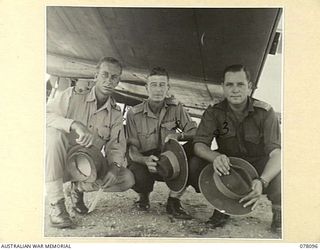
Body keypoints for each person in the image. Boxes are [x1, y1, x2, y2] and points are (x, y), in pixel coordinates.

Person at [189, 64, 281, 234]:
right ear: (223, 87)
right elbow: (199, 145)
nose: (235, 90)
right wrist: (215, 156)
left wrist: (262, 181)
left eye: (240, 84)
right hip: (229, 166)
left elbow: (276, 154)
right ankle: (222, 205)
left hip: (259, 167)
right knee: (195, 164)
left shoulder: (265, 112)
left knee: (282, 172)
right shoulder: (214, 112)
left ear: (250, 87)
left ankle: (279, 210)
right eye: (230, 85)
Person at [46, 57, 135, 228]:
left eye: (114, 77)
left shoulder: (115, 113)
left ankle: (77, 189)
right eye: (105, 74)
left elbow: (116, 145)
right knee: (53, 135)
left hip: (86, 167)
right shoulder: (72, 95)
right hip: (60, 162)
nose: (108, 81)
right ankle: (56, 205)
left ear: (118, 81)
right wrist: (73, 124)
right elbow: (46, 116)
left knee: (126, 179)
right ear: (96, 75)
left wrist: (115, 167)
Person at [126, 67, 197, 219]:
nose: (158, 89)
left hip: (170, 160)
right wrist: (144, 160)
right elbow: (132, 149)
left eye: (162, 85)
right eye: (153, 85)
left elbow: (195, 132)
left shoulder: (176, 108)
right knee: (133, 167)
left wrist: (179, 135)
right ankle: (143, 195)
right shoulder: (133, 113)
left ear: (168, 88)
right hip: (147, 162)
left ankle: (174, 201)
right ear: (146, 88)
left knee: (194, 149)